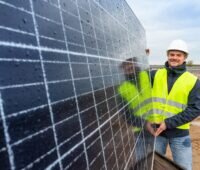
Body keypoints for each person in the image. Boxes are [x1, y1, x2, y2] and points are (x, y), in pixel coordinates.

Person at [146, 39, 200, 170]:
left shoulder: (193, 81)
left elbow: (195, 109)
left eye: (178, 55)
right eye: (172, 54)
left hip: (179, 133)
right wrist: (143, 58)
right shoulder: (155, 74)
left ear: (184, 57)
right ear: (168, 55)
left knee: (184, 167)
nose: (174, 57)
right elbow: (136, 77)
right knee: (154, 166)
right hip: (156, 131)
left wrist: (168, 123)